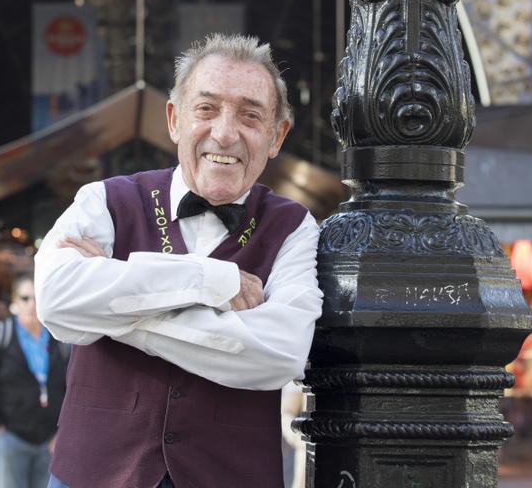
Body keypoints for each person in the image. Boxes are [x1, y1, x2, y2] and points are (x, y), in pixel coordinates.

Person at [35, 34, 322, 488]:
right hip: (93, 473)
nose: (225, 133)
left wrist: (118, 316)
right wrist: (210, 280)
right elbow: (54, 299)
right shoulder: (104, 200)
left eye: (250, 115)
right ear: (174, 120)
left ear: (276, 136)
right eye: (206, 109)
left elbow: (280, 353)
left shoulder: (295, 228)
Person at [0, 274, 65, 488]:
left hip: (50, 441)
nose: (32, 304)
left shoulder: (60, 339)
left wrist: (61, 432)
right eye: (25, 298)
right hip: (10, 438)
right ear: (14, 302)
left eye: (37, 297)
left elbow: (70, 389)